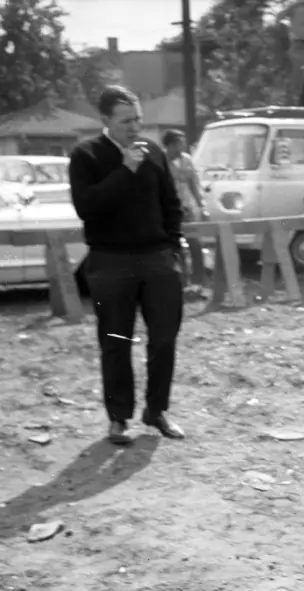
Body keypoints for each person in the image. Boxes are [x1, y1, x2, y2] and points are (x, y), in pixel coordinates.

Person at [68, 85, 186, 445]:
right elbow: (87, 207)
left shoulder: (153, 152)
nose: (134, 128)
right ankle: (119, 418)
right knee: (116, 341)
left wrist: (170, 247)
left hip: (156, 259)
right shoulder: (85, 155)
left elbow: (171, 202)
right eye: (125, 121)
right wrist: (124, 171)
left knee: (164, 338)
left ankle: (157, 410)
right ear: (105, 121)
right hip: (110, 262)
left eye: (137, 119)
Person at [162, 129, 207, 293]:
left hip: (188, 209)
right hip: (169, 211)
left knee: (195, 244)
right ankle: (182, 282)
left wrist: (202, 205)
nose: (182, 146)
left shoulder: (187, 160)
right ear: (170, 145)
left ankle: (198, 282)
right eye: (179, 143)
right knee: (175, 248)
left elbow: (194, 184)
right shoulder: (160, 161)